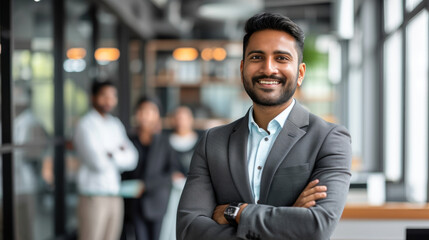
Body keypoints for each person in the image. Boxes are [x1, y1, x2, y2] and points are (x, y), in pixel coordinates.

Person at [177, 12, 352, 240]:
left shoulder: (329, 139)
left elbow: (317, 227)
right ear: (242, 69)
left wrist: (237, 211)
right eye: (257, 57)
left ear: (300, 74)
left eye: (281, 58)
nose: (268, 69)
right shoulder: (213, 142)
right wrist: (288, 218)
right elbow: (188, 229)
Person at [73, 80, 138, 240]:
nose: (109, 100)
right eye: (104, 95)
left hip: (115, 193)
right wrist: (118, 151)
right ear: (93, 97)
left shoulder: (115, 124)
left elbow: (132, 158)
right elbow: (98, 163)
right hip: (93, 195)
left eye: (112, 96)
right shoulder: (85, 125)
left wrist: (111, 154)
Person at [121, 96, 178, 240]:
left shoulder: (164, 141)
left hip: (156, 202)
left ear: (158, 114)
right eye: (142, 110)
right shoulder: (127, 139)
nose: (146, 115)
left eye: (151, 111)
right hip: (132, 203)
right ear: (137, 113)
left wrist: (145, 186)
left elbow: (172, 173)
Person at [159, 106, 200, 240]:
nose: (181, 121)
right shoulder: (164, 142)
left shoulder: (201, 141)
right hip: (169, 195)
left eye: (184, 117)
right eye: (177, 117)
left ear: (191, 120)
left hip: (195, 195)